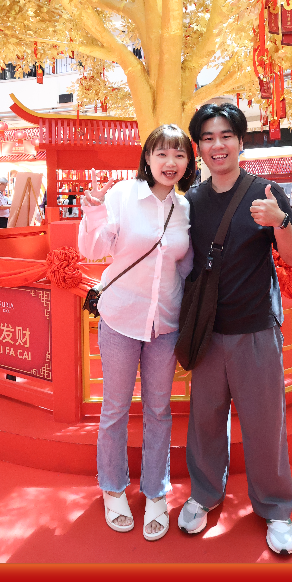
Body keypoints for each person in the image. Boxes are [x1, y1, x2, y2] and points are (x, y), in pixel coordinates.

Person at [178, 102, 292, 556]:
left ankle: (275, 507)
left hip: (255, 329)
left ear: (240, 142)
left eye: (225, 136)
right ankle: (205, 492)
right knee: (205, 420)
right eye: (208, 138)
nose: (217, 145)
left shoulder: (266, 192)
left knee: (265, 422)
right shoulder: (190, 201)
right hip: (208, 331)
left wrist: (281, 221)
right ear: (199, 147)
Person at [78, 125, 195, 541]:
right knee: (115, 408)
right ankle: (112, 487)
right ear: (147, 158)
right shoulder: (122, 195)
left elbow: (185, 266)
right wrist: (93, 210)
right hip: (121, 318)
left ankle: (155, 491)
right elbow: (94, 250)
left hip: (165, 323)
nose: (170, 163)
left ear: (188, 162)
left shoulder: (185, 206)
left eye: (179, 155)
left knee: (159, 411)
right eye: (161, 154)